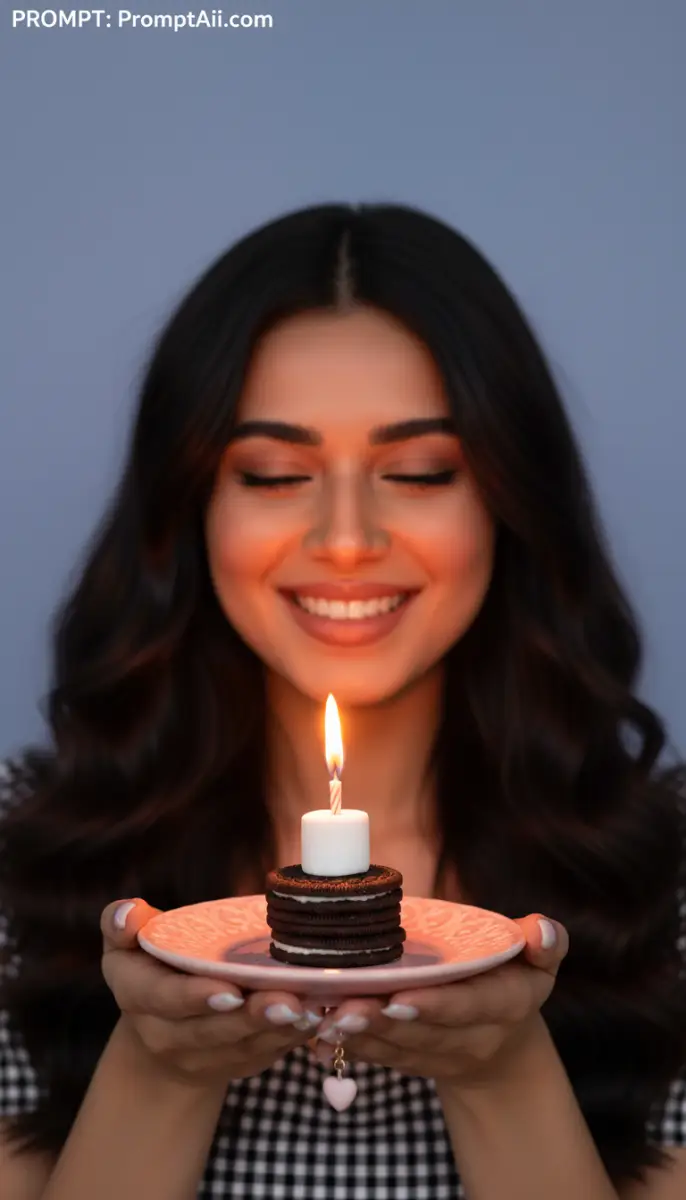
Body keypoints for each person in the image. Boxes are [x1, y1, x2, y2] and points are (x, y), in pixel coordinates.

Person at [0, 202, 684, 1200]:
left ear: (505, 498)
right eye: (274, 474)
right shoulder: (27, 864)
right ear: (189, 509)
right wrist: (158, 1071)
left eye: (417, 470)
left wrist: (500, 1071)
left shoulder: (660, 879)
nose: (348, 537)